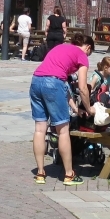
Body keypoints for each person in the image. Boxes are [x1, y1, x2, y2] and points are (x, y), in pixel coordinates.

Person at [30, 32, 95, 185]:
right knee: (63, 131)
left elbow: (64, 86)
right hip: (53, 83)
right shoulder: (82, 55)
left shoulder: (60, 48)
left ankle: (40, 173)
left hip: (36, 81)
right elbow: (83, 88)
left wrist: (75, 108)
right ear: (88, 48)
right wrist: (89, 108)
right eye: (90, 53)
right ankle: (69, 174)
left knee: (40, 129)